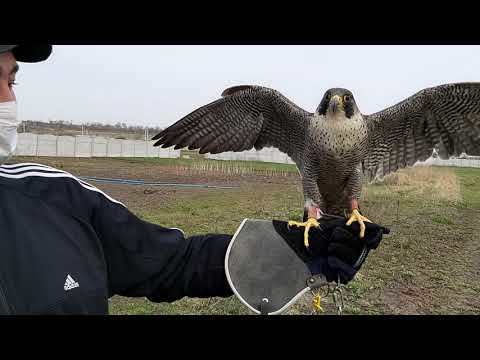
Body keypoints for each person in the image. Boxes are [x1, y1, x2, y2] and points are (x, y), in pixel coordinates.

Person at [0, 45, 387, 315]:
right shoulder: (302, 123)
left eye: (12, 83)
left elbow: (174, 262)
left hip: (348, 195)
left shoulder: (58, 198)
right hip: (313, 194)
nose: (7, 99)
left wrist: (289, 254)